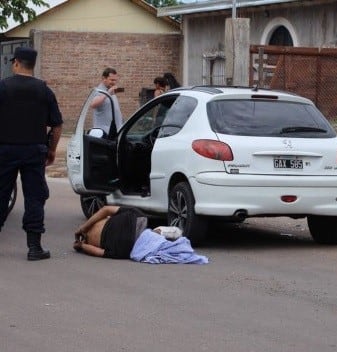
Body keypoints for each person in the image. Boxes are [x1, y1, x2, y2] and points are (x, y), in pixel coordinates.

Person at [0, 46, 64, 261]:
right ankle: (34, 247)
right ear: (33, 65)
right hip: (35, 150)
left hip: (5, 149)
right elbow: (56, 126)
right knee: (34, 198)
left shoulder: (3, 87)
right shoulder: (44, 90)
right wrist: (52, 150)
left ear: (16, 62)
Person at [73, 205, 208, 264]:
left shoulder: (95, 229)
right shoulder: (98, 230)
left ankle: (161, 233)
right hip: (130, 238)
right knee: (150, 237)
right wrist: (82, 240)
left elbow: (100, 252)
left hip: (130, 233)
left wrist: (82, 241)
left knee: (149, 236)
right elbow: (106, 210)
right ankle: (161, 233)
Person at [90, 67, 123, 137]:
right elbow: (93, 104)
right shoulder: (99, 90)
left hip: (114, 131)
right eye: (111, 80)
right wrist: (107, 93)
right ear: (103, 79)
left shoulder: (110, 89)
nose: (114, 82)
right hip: (104, 133)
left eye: (115, 80)